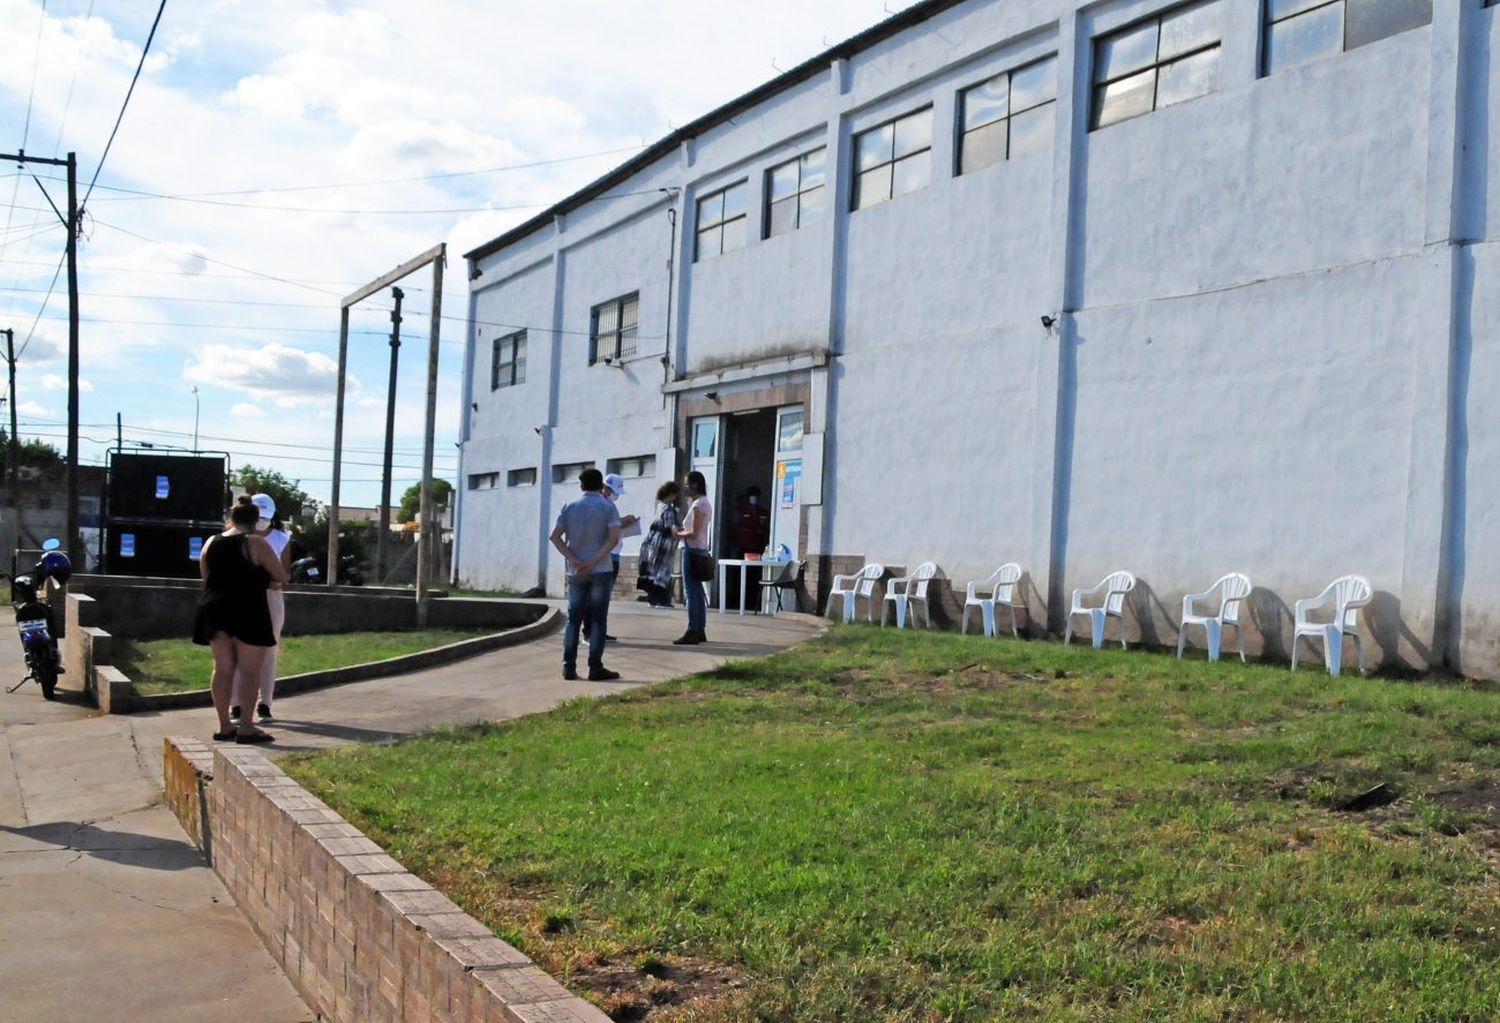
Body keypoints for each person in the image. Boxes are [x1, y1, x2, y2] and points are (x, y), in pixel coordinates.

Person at [194, 495, 290, 743]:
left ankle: (224, 725)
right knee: (249, 671)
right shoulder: (255, 543)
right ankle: (246, 726)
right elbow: (280, 574)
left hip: (215, 608)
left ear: (230, 518)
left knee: (222, 668)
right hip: (248, 609)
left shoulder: (210, 543)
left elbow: (206, 577)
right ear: (255, 520)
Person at [549, 467, 623, 681]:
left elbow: (555, 537)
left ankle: (568, 667)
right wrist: (593, 562)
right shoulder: (608, 507)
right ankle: (595, 667)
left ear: (581, 485)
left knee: (574, 619)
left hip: (576, 570)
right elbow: (614, 539)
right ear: (601, 485)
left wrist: (574, 559)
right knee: (598, 619)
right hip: (601, 569)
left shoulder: (570, 506)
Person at [230, 493, 293, 725]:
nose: (261, 523)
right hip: (243, 596)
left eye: (266, 518)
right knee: (239, 649)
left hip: (271, 597)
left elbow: (284, 574)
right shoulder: (238, 538)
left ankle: (264, 703)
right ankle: (235, 705)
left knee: (269, 650)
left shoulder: (281, 539)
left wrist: (271, 579)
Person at [586, 473, 639, 645]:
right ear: (605, 488)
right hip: (606, 556)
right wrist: (624, 521)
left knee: (603, 599)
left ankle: (599, 630)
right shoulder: (602, 504)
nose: (614, 495)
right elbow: (606, 526)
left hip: (613, 555)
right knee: (597, 598)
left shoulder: (606, 504)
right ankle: (590, 632)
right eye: (613, 490)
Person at [672, 470, 713, 645]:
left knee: (691, 592)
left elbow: (694, 533)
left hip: (692, 550)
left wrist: (677, 533)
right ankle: (700, 628)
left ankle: (693, 630)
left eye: (687, 483)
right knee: (698, 591)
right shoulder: (706, 503)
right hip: (701, 549)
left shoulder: (697, 505)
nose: (685, 487)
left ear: (695, 485)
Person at [637, 481, 682, 608]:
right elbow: (673, 529)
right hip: (664, 546)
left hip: (652, 543)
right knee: (663, 572)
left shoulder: (659, 506)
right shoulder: (669, 510)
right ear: (671, 494)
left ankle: (652, 598)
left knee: (654, 571)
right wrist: (684, 531)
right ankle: (661, 600)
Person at [733, 485, 771, 606]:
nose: (753, 498)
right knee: (740, 577)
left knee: (754, 578)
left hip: (757, 549)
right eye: (752, 496)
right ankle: (738, 602)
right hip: (743, 549)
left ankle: (752, 602)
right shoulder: (741, 511)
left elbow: (764, 530)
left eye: (755, 496)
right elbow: (735, 528)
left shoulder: (762, 512)